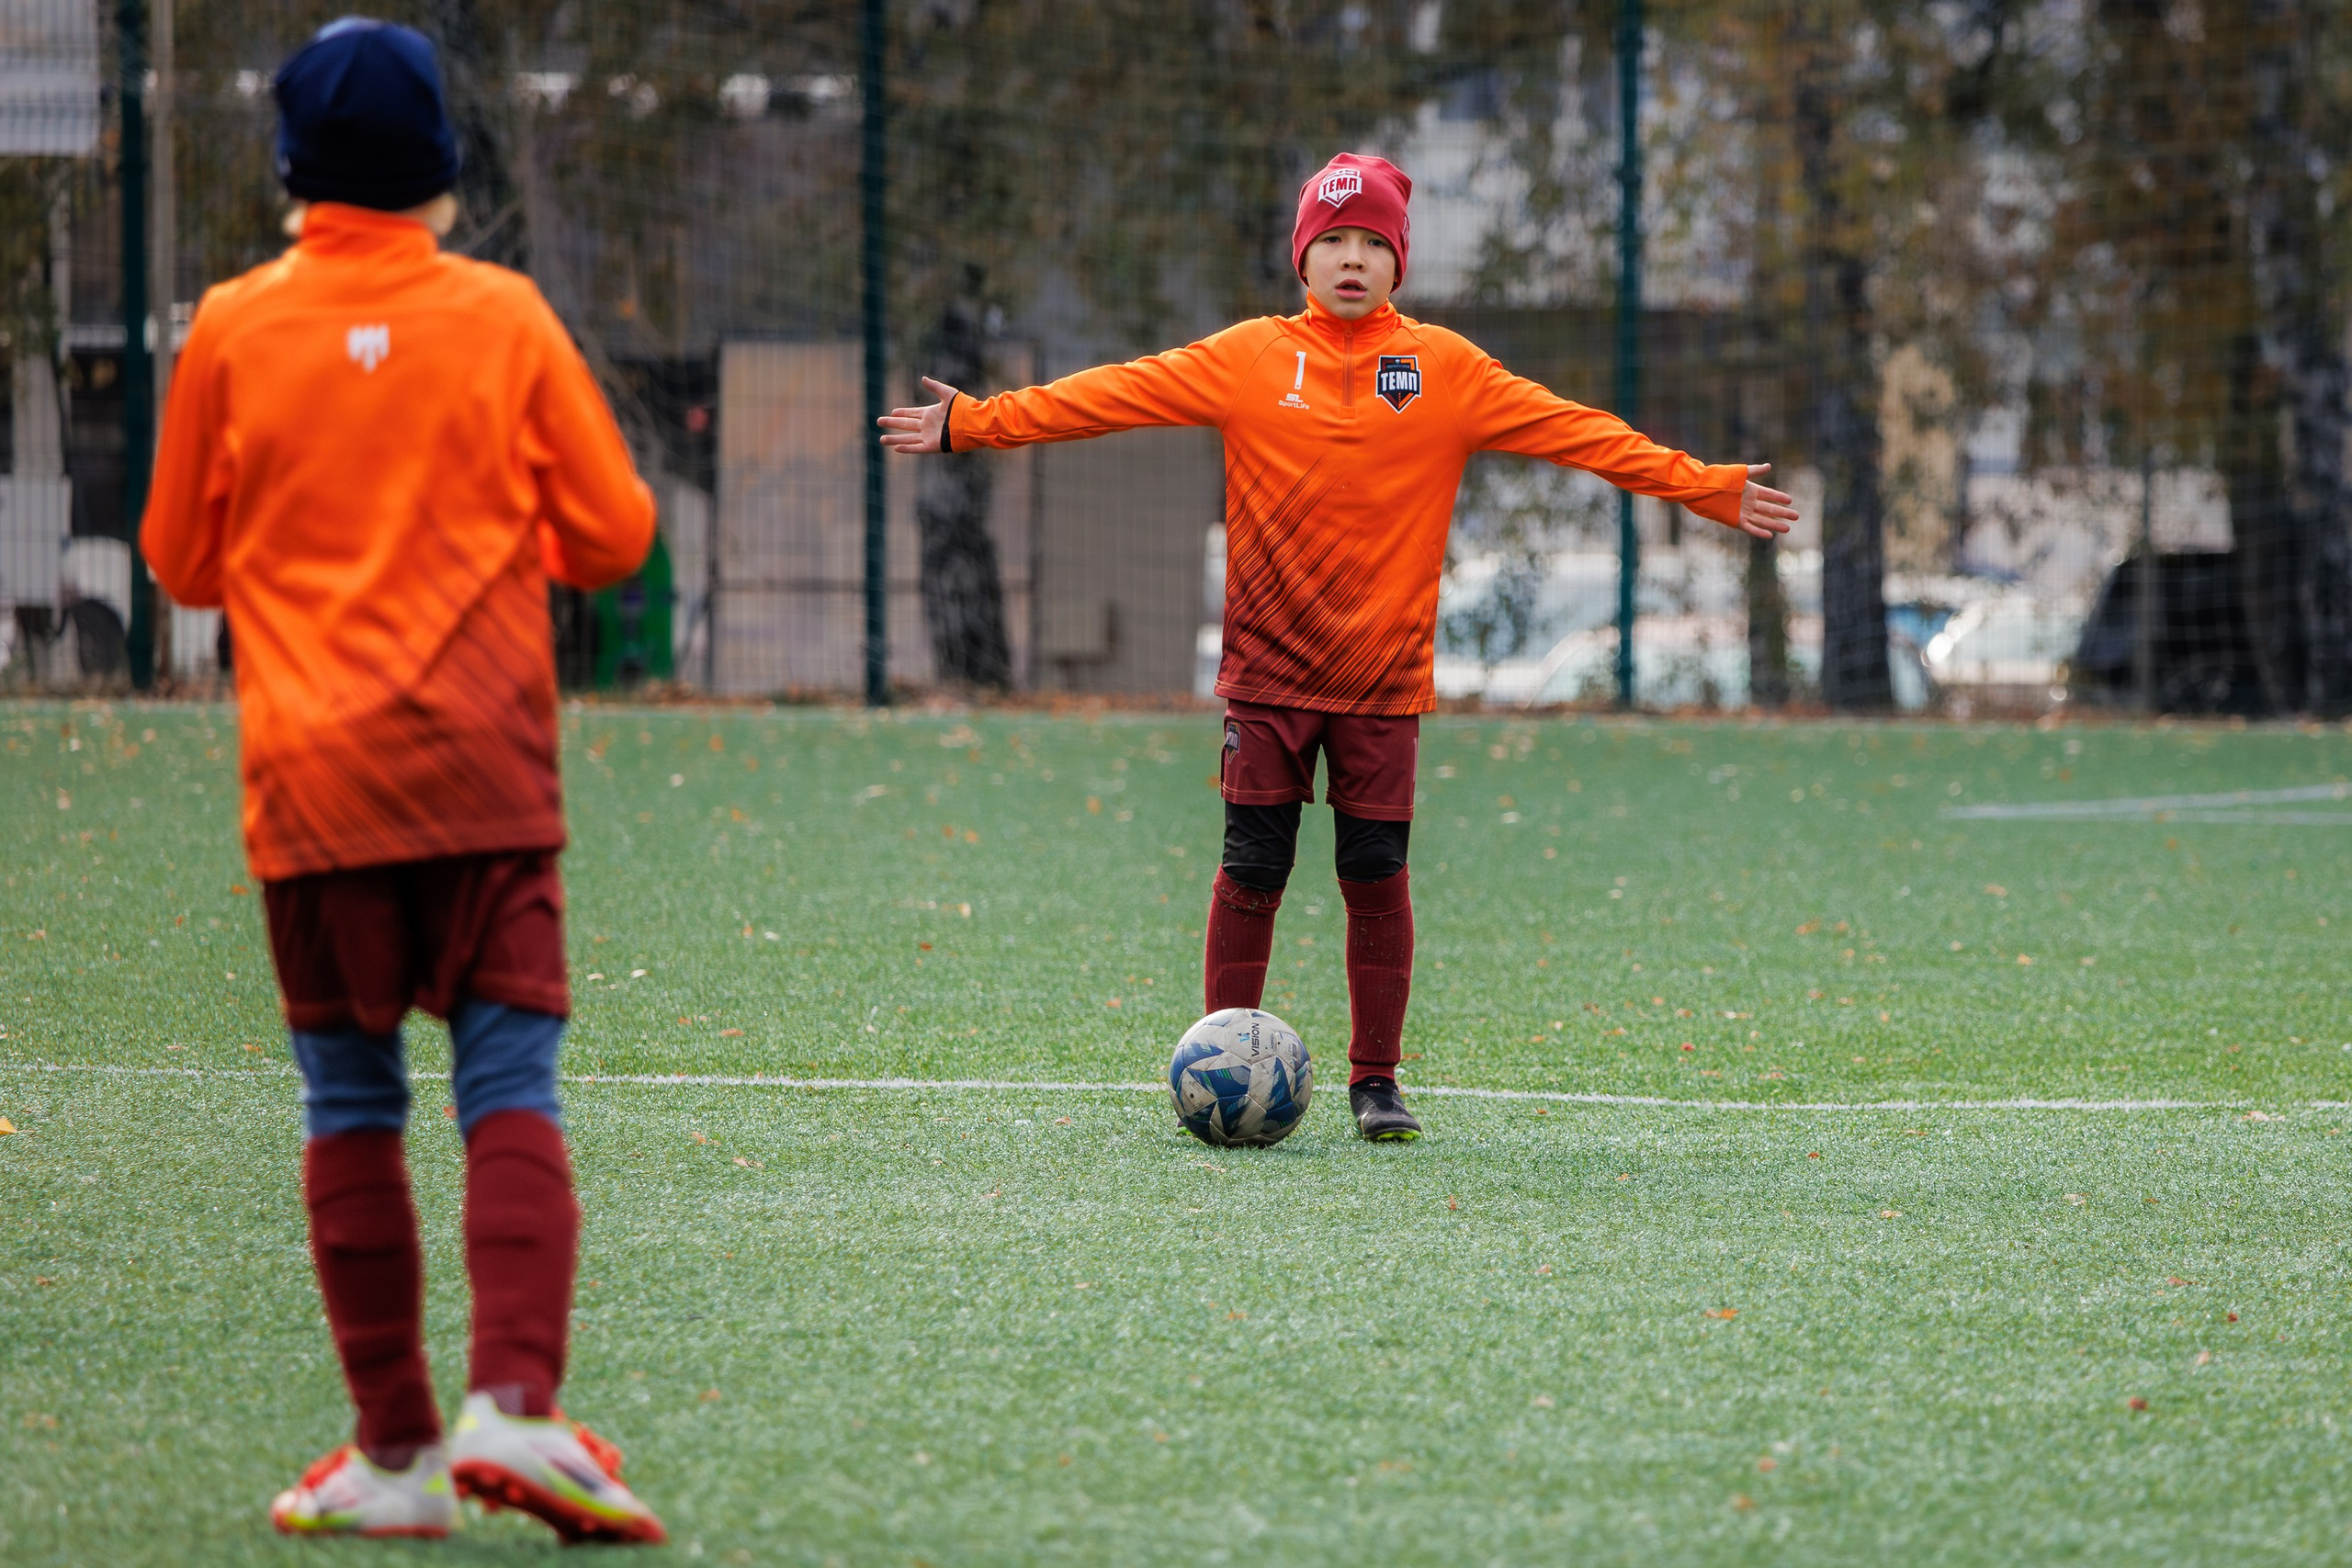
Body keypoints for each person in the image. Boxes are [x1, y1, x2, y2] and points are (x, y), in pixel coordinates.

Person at [880, 153, 1797, 1140]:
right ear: (1301, 259)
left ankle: (1375, 1082)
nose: (1351, 259)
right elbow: (1114, 394)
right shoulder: (1249, 357)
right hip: (1268, 679)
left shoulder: (1448, 370)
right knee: (1251, 872)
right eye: (1333, 241)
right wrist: (973, 424)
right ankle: (1223, 1055)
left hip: (1382, 686)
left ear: (1398, 261)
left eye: (1372, 243)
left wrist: (1700, 485)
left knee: (1375, 878)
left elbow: (1577, 434)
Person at [142, 18, 666, 1544]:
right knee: (509, 1083)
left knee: (350, 1102)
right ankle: (518, 1404)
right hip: (486, 772)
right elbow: (618, 536)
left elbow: (178, 562)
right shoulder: (500, 317)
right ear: (446, 171)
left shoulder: (233, 326)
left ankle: (394, 1451)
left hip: (312, 785)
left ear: (292, 172)